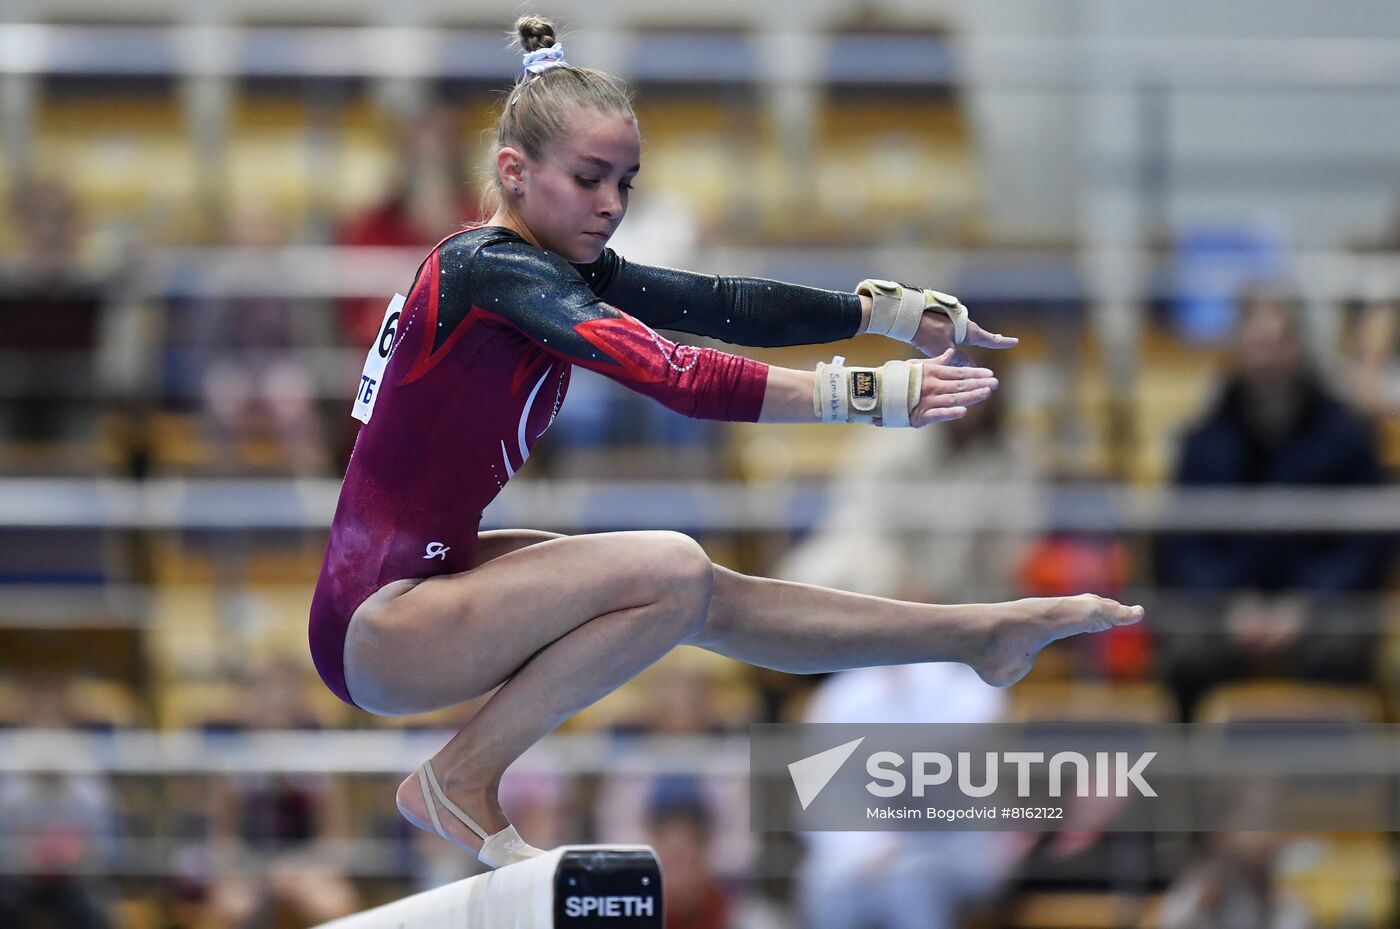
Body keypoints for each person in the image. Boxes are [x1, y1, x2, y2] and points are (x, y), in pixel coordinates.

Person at [308, 14, 1145, 870]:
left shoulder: (548, 270)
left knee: (706, 594)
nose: (611, 204)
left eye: (627, 184)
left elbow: (718, 303)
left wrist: (882, 312)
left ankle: (975, 633)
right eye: (590, 178)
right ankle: (461, 775)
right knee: (670, 568)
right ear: (513, 173)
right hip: (385, 624)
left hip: (421, 591)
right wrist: (873, 396)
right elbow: (676, 374)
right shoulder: (493, 270)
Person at [1155, 283, 1391, 719]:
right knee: (1186, 654)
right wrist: (1230, 606)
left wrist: (1306, 606)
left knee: (1343, 652)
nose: (1266, 357)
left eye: (1277, 342)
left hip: (1319, 610)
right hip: (1227, 611)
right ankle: (1196, 784)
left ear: (1298, 346)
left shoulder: (1345, 435)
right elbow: (1182, 544)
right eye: (1255, 343)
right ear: (1238, 349)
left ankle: (1326, 784)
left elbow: (1363, 544)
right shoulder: (1205, 437)